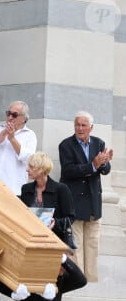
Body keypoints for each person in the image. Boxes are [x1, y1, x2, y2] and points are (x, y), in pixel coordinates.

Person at [59, 110, 113, 282]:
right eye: (77, 125)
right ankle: (78, 280)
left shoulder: (99, 143)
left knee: (92, 245)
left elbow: (105, 170)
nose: (80, 128)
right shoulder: (66, 145)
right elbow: (68, 171)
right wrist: (92, 166)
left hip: (93, 205)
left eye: (83, 125)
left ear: (91, 127)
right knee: (76, 246)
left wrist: (103, 164)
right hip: (74, 203)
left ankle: (91, 280)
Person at [0, 101, 37, 196]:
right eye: (8, 113)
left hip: (14, 190)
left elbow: (29, 160)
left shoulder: (30, 135)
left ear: (24, 118)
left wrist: (12, 139)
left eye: (14, 115)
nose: (10, 117)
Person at [20, 152, 75, 245]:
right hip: (30, 240)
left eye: (31, 167)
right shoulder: (26, 189)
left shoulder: (61, 189)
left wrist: (55, 223)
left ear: (42, 169)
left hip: (55, 240)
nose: (27, 169)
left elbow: (71, 217)